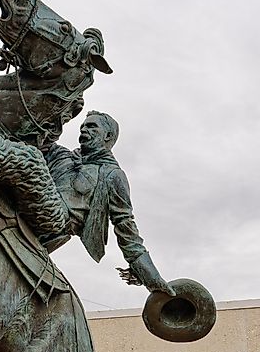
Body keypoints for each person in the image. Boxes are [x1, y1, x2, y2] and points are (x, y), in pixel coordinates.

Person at [42, 110, 174, 295]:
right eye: (82, 126)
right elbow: (37, 135)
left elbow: (126, 227)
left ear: (108, 135)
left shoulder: (112, 176)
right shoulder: (61, 156)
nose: (84, 129)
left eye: (91, 126)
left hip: (50, 228)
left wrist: (151, 278)